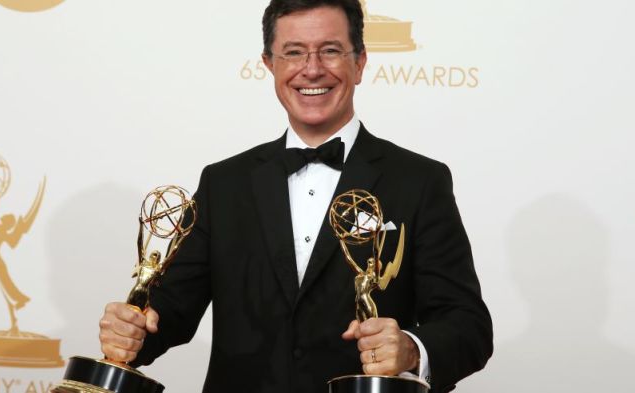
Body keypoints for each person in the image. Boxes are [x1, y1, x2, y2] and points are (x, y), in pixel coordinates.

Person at [98, 1, 492, 392]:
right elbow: (169, 313)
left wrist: (410, 349)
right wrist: (132, 330)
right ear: (270, 64)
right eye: (294, 52)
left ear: (360, 63)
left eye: (331, 50)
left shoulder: (419, 180)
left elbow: (468, 326)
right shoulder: (223, 183)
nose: (312, 68)